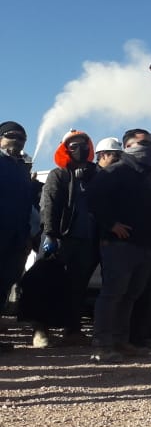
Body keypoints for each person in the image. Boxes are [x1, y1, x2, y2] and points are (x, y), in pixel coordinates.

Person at [87, 129, 151, 363]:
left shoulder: (148, 175)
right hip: (118, 245)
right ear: (127, 146)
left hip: (144, 244)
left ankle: (120, 340)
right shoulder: (114, 172)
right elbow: (93, 200)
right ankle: (102, 344)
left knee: (131, 295)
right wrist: (111, 225)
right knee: (112, 294)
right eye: (142, 143)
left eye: (149, 142)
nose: (148, 146)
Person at [35, 129, 100, 347]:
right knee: (47, 282)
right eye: (73, 145)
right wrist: (50, 233)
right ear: (65, 149)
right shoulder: (58, 174)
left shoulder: (94, 175)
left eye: (83, 144)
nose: (79, 148)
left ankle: (73, 329)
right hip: (61, 238)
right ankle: (41, 330)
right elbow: (50, 205)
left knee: (78, 286)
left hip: (86, 241)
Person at [0, 121, 34, 351]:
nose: (17, 142)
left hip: (16, 238)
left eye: (21, 138)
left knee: (3, 286)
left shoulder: (21, 169)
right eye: (11, 136)